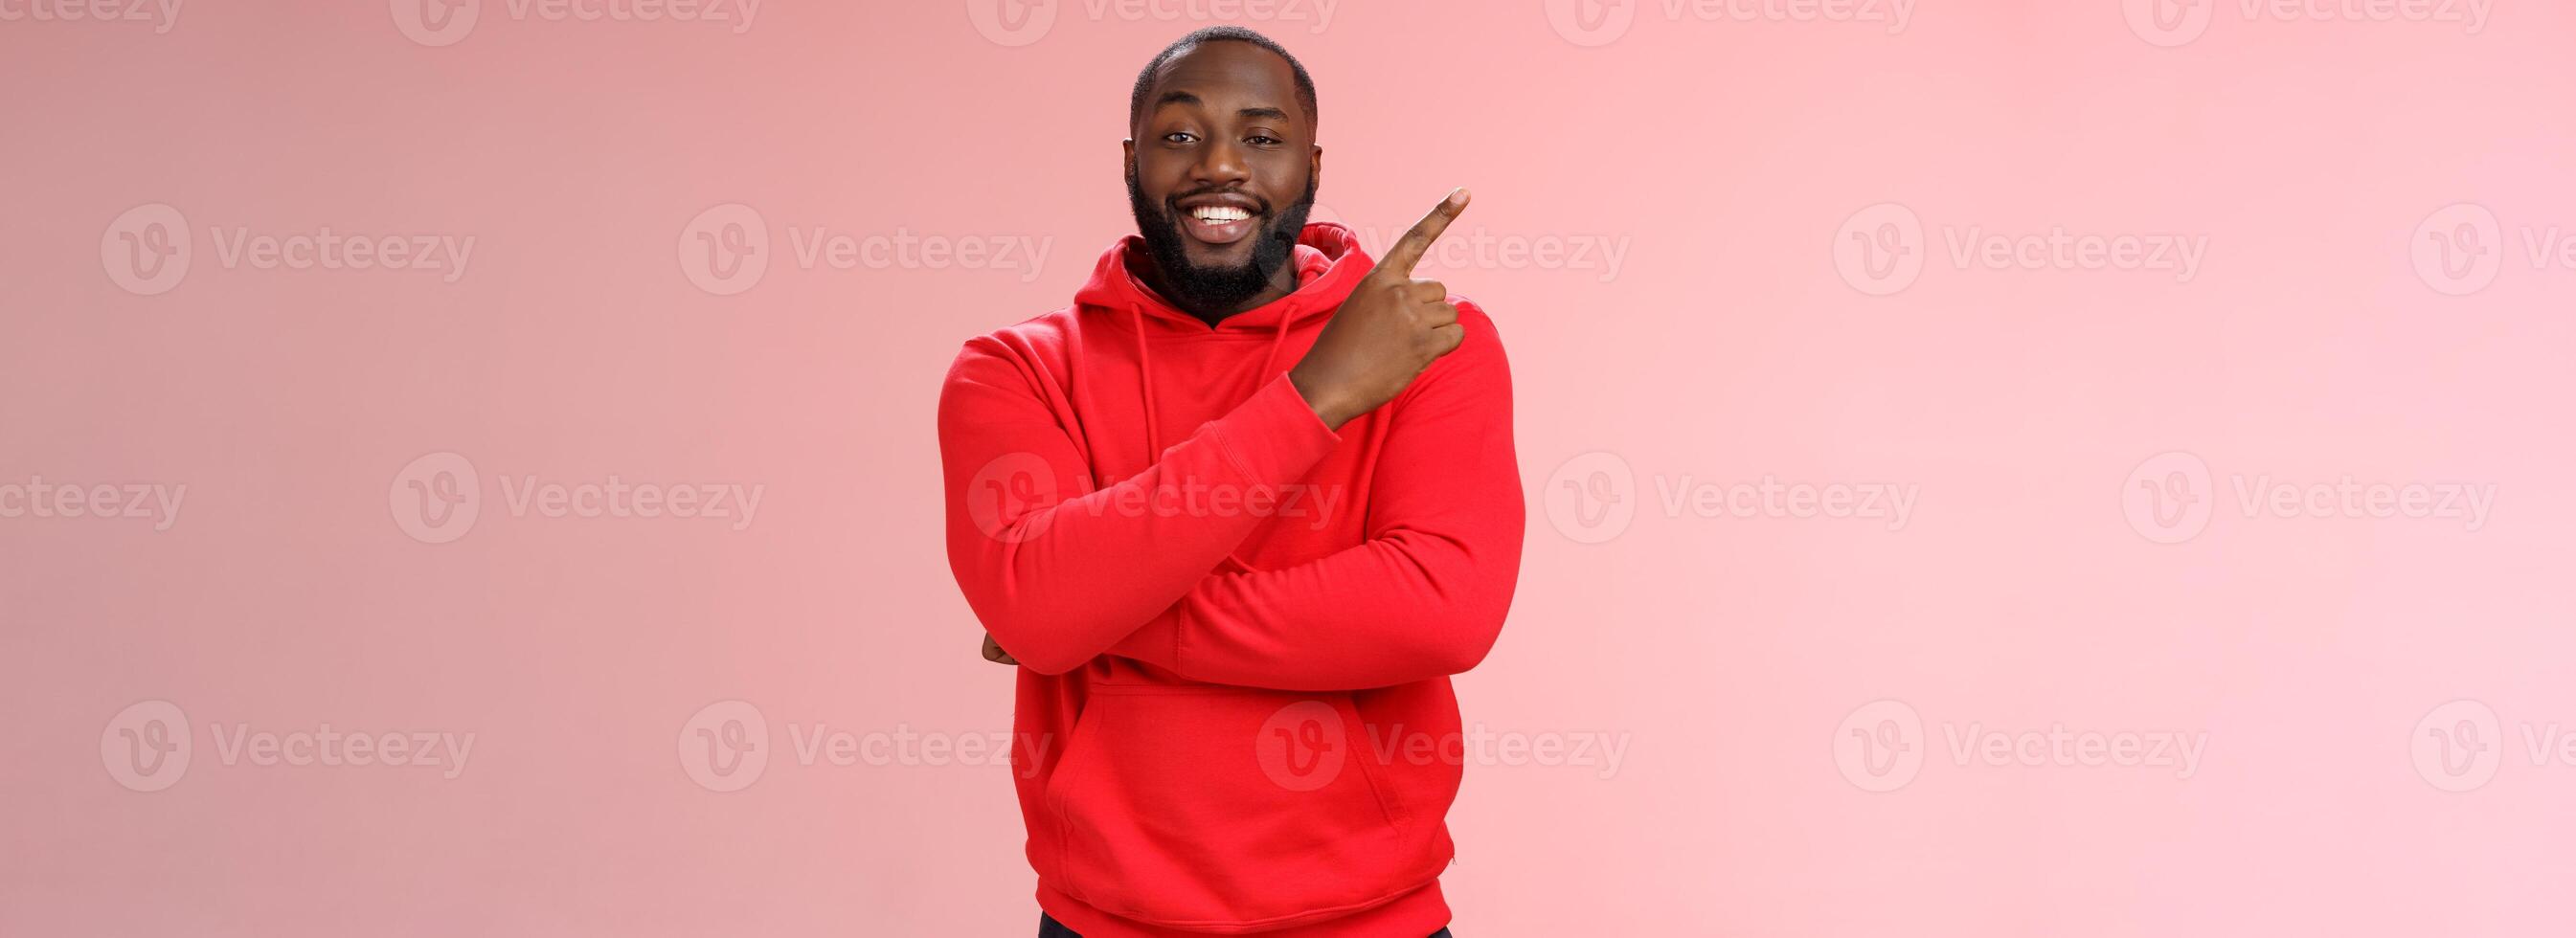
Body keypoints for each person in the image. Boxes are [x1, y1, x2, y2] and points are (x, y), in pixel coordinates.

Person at [937, 26, 1522, 937]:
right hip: (1103, 921)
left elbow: (1443, 608)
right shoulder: (1015, 368)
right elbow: (1037, 610)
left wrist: (1089, 615)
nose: (1219, 166)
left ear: (1311, 162)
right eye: (1179, 136)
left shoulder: (1427, 345)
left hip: (1378, 921)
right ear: (1131, 161)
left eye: (1261, 136)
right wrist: (1316, 397)